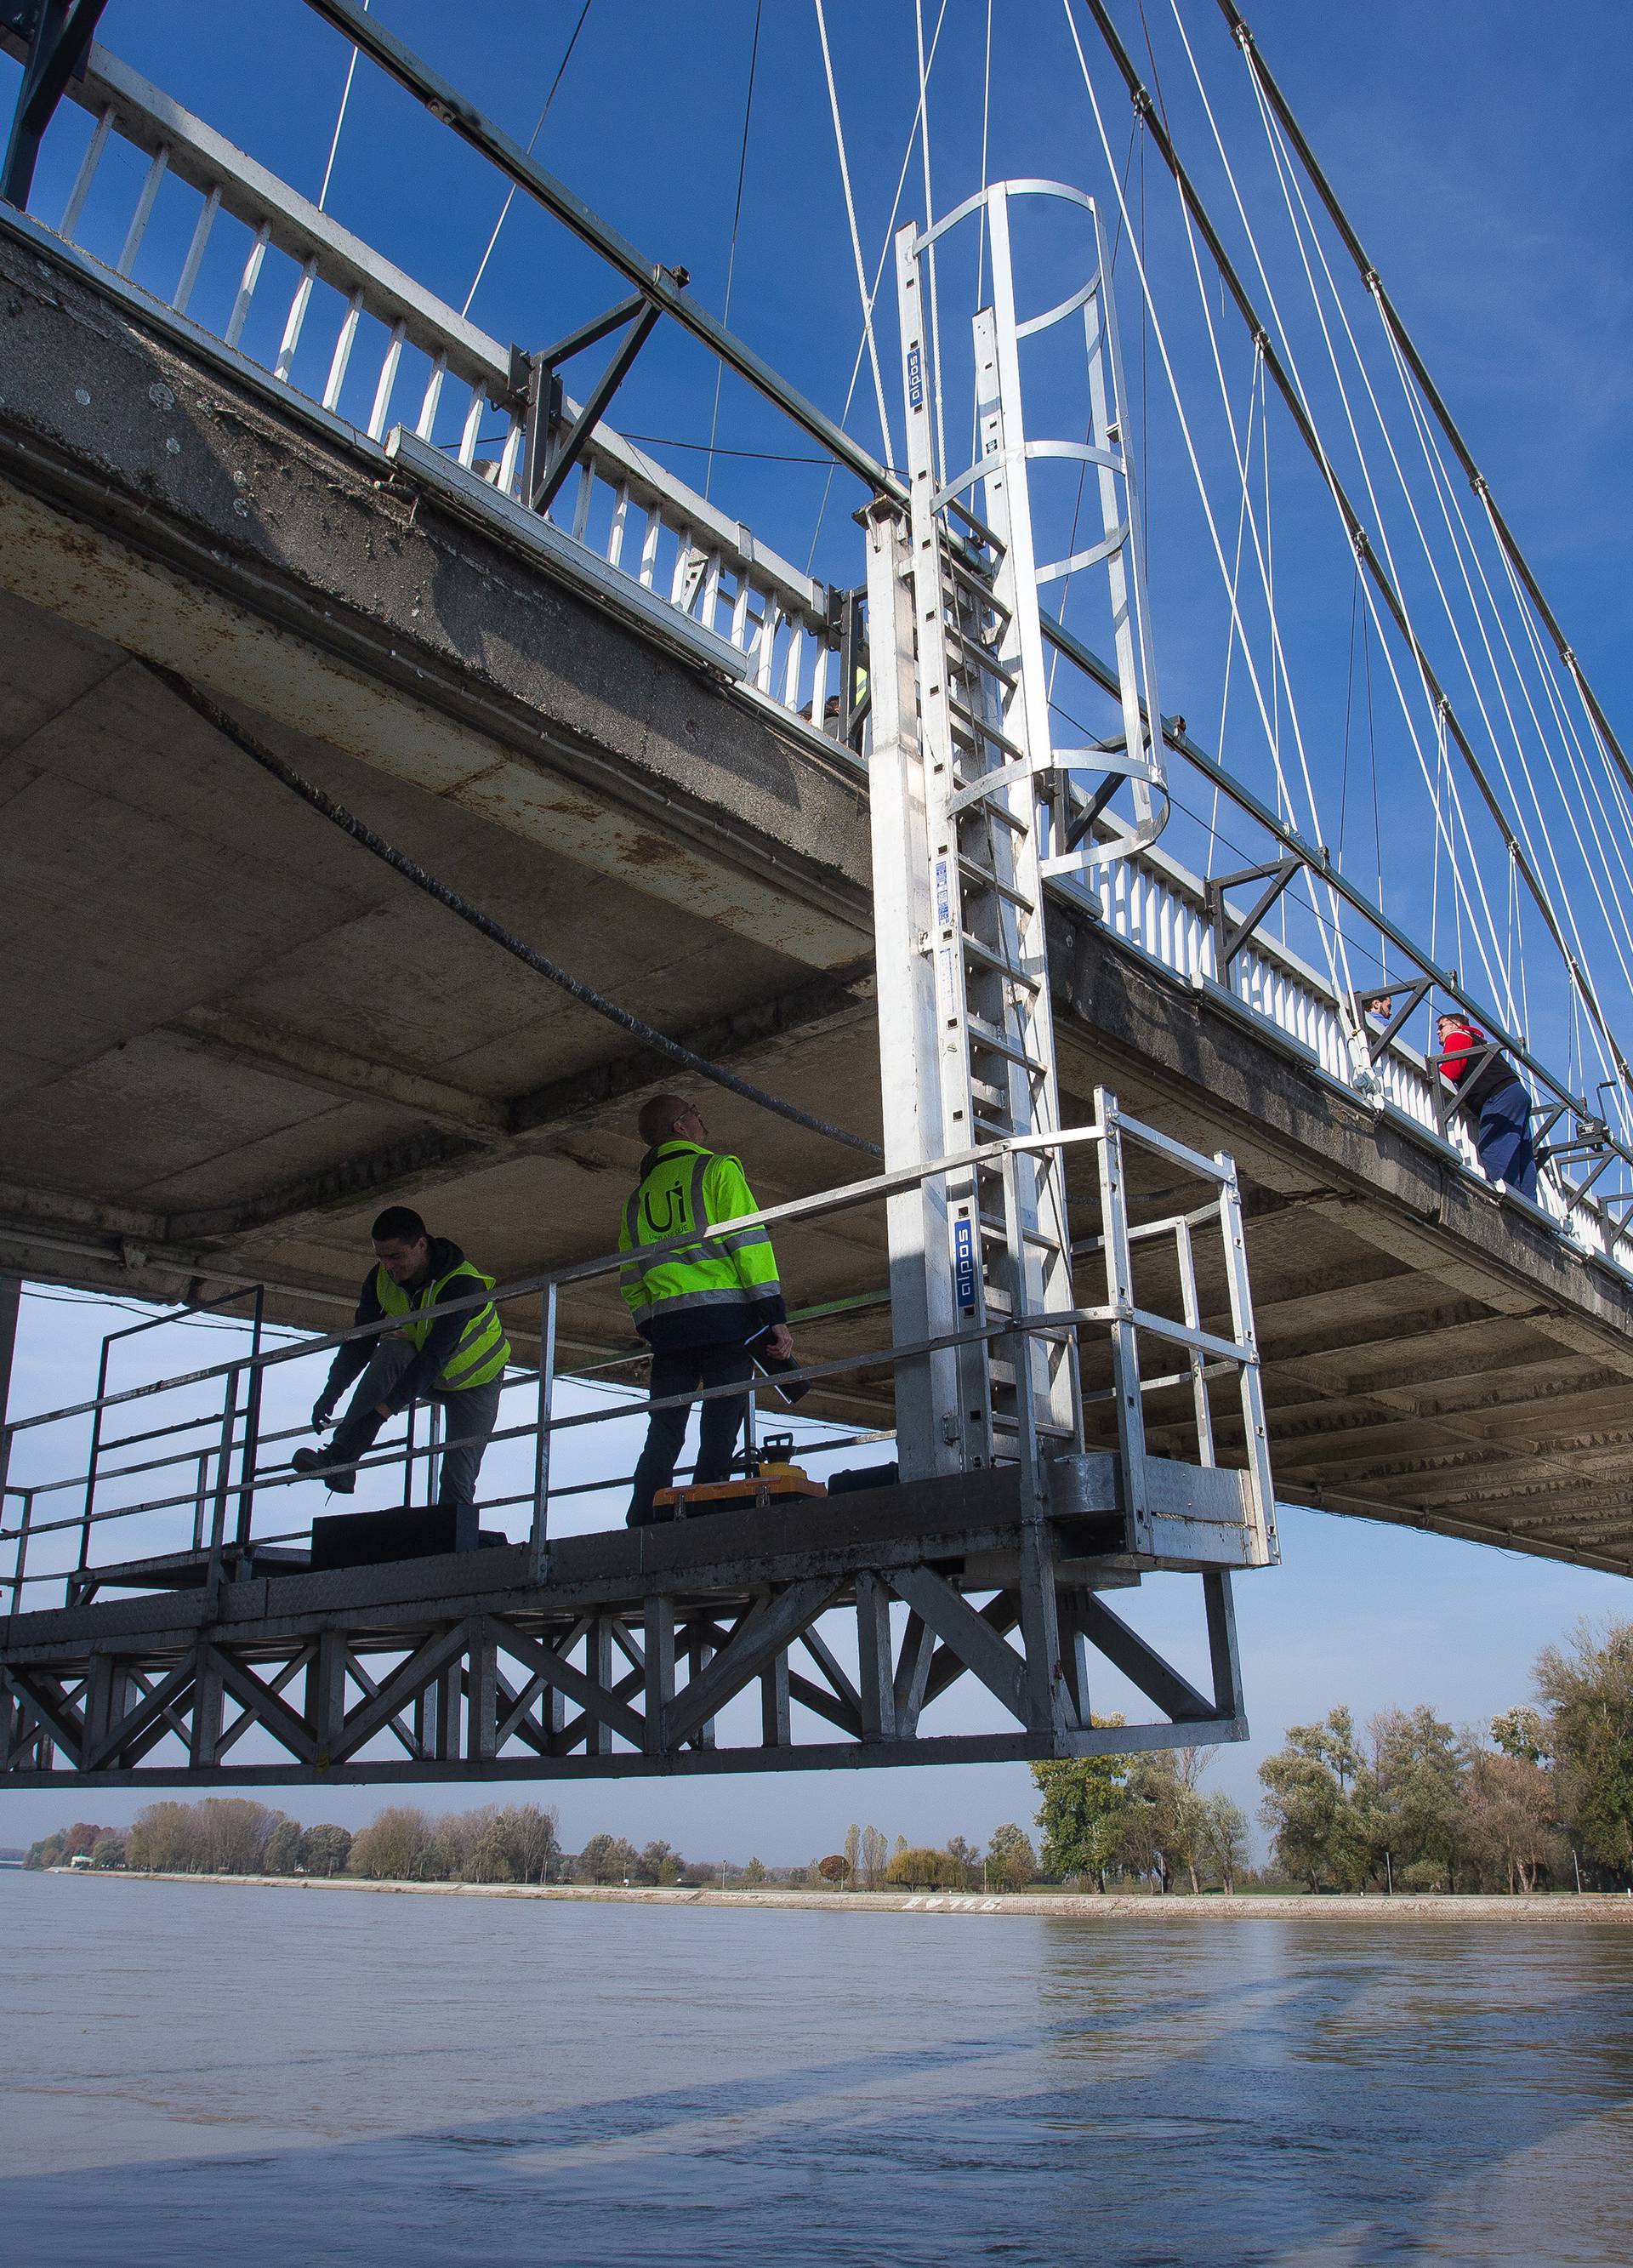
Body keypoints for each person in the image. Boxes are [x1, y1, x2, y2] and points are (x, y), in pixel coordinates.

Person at [619, 1095, 794, 1527]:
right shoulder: (717, 1170)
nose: (701, 1116)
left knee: (664, 1428)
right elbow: (749, 1245)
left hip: (669, 1330)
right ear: (679, 1127)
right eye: (694, 1111)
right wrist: (773, 1315)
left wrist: (651, 1327)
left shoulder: (638, 1198)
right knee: (721, 1420)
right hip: (725, 1321)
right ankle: (704, 1511)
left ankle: (644, 1515)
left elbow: (630, 1275)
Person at [293, 1206, 510, 1513]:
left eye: (395, 1256)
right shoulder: (382, 1278)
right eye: (381, 1257)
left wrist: (379, 1415)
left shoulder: (461, 1283)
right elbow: (362, 1340)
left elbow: (434, 1356)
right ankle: (342, 1458)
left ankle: (453, 1547)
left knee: (457, 1477)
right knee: (392, 1351)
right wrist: (332, 1391)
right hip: (431, 1372)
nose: (388, 1265)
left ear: (421, 1245)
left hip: (477, 1382)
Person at [1436, 1011, 1539, 1201]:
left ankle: (1508, 1198)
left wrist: (1435, 1075)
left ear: (1455, 1024)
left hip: (1498, 1095)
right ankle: (1529, 1202)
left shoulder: (1458, 1035)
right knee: (1521, 1152)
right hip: (1515, 1093)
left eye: (1441, 1027)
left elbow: (1450, 1070)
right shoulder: (1481, 1043)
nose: (1438, 1033)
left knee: (1493, 1145)